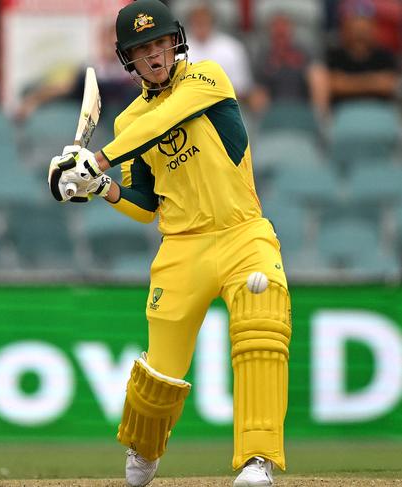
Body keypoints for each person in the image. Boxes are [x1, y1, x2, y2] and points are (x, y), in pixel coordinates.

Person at [47, 1, 291, 486]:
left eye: (159, 43)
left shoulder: (208, 79)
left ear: (175, 42)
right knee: (161, 369)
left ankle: (257, 460)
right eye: (142, 49)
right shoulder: (127, 120)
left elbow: (163, 122)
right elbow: (143, 205)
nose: (154, 56)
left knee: (262, 329)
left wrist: (95, 159)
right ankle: (145, 451)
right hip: (181, 247)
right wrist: (99, 187)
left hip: (243, 232)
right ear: (128, 59)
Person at [249, 12, 329, 118]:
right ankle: (262, 126)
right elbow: (258, 87)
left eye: (283, 32)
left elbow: (317, 75)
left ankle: (319, 121)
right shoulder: (263, 56)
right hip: (273, 106)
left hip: (303, 103)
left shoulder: (304, 52)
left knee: (318, 74)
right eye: (277, 33)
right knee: (257, 92)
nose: (280, 33)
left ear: (291, 32)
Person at [325, 0, 400, 107]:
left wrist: (347, 82)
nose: (359, 33)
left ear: (373, 28)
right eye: (355, 28)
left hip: (380, 112)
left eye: (364, 28)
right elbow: (333, 84)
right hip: (342, 112)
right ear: (345, 29)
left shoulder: (385, 55)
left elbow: (389, 85)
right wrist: (375, 81)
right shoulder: (335, 55)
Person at [183, 3, 255, 102]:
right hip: (187, 105)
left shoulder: (232, 48)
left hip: (224, 105)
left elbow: (242, 88)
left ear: (212, 22)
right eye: (197, 22)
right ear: (190, 23)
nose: (200, 26)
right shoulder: (179, 50)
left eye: (204, 22)